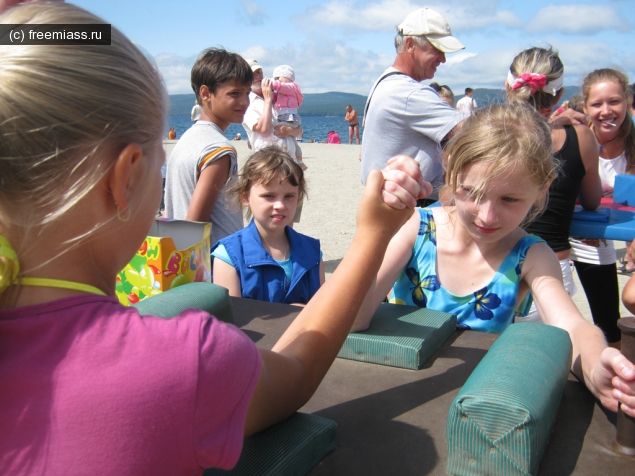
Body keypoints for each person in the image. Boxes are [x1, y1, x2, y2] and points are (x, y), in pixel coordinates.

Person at [0, 3, 430, 473]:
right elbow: (296, 373)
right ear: (125, 177)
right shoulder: (181, 364)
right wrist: (373, 235)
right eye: (156, 171)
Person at [351, 103, 635, 416]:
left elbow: (570, 326)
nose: (487, 216)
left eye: (509, 199)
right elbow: (354, 318)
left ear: (542, 190)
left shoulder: (531, 256)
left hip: (476, 407)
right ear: (450, 169)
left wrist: (597, 367)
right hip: (395, 391)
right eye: (473, 192)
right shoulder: (415, 228)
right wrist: (376, 232)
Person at [505, 47, 602, 323]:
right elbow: (592, 201)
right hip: (552, 273)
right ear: (559, 94)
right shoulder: (580, 137)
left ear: (508, 87)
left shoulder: (492, 132)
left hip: (495, 266)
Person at [360, 7, 466, 205]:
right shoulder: (408, 93)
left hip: (384, 198)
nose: (443, 58)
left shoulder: (384, 82)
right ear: (410, 44)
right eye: (438, 49)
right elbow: (475, 133)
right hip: (411, 202)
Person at [568, 68, 635, 346]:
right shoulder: (575, 138)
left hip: (611, 237)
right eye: (597, 104)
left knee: (608, 317)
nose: (606, 111)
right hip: (574, 234)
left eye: (614, 102)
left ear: (628, 102)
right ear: (585, 107)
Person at [212, 147, 324, 305]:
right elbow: (231, 321)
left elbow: (324, 312)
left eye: (289, 196)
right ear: (245, 197)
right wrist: (289, 315)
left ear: (298, 197)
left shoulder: (312, 253)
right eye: (269, 196)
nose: (280, 205)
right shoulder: (229, 255)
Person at [164, 48, 250, 246]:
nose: (244, 101)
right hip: (213, 266)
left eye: (247, 93)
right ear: (205, 93)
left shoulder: (187, 139)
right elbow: (194, 226)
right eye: (234, 93)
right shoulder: (218, 149)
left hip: (181, 259)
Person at [242, 59, 306, 168]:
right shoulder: (247, 103)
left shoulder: (278, 96)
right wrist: (267, 100)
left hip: (290, 161)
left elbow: (299, 131)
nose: (258, 76)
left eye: (259, 72)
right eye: (253, 74)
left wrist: (290, 131)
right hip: (268, 163)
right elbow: (264, 130)